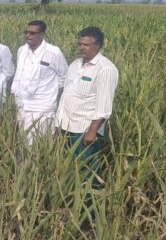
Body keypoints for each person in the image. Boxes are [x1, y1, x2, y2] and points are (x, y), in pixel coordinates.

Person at [56, 27, 118, 188]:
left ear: (98, 46)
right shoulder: (75, 65)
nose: (82, 48)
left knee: (88, 170)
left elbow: (104, 106)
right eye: (80, 44)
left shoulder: (106, 69)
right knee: (68, 168)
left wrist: (92, 131)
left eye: (86, 45)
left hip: (84, 130)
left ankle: (90, 204)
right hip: (65, 125)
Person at [12, 20, 68, 144]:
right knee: (22, 143)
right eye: (26, 32)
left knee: (40, 144)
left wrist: (53, 94)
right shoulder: (22, 50)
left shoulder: (53, 52)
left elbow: (64, 77)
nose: (28, 35)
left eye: (32, 33)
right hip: (22, 105)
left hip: (43, 107)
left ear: (42, 35)